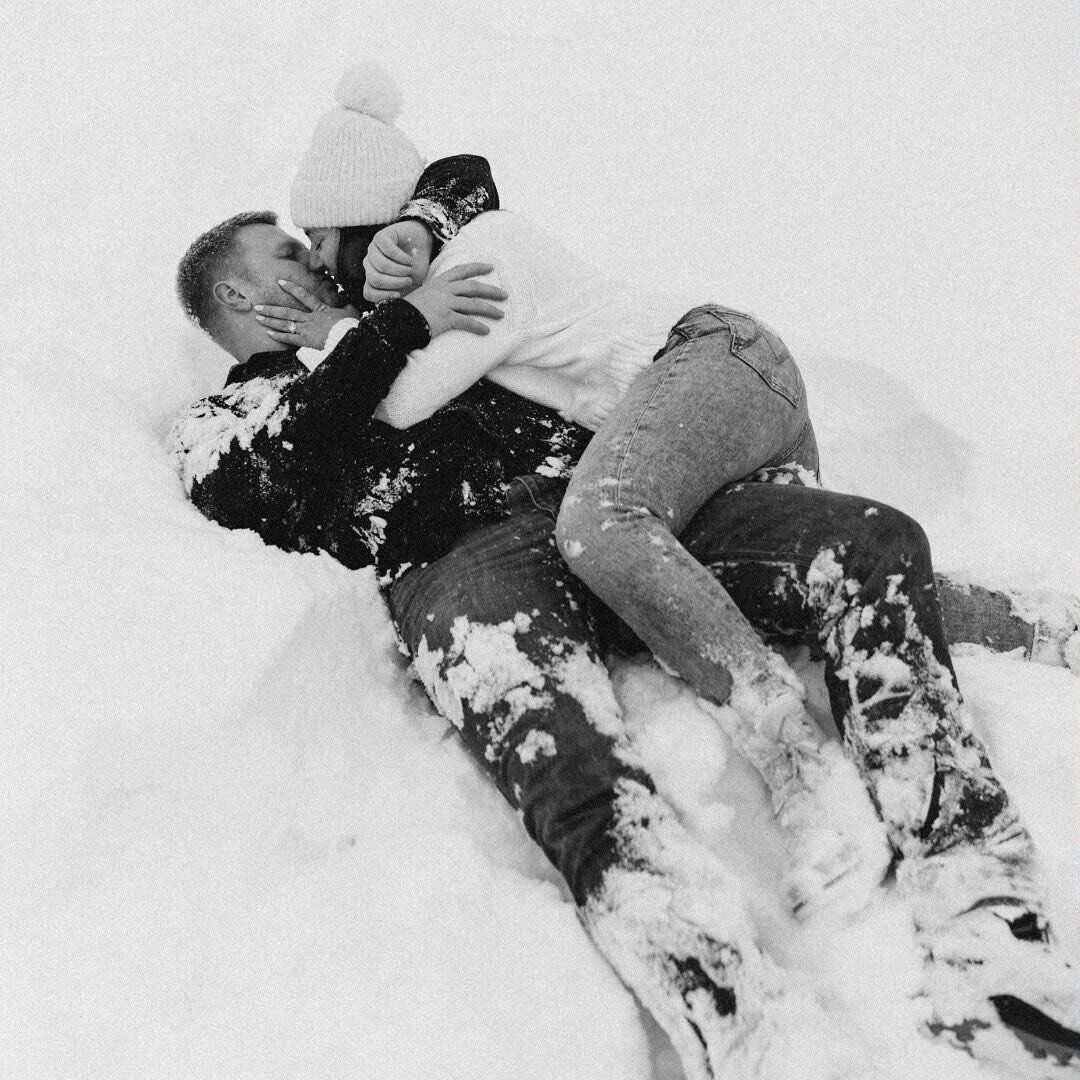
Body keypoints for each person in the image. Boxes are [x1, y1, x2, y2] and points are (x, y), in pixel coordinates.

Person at [172, 161, 1079, 1080]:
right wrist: (399, 328)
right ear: (240, 293)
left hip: (609, 509)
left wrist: (411, 240)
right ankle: (746, 1025)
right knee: (563, 761)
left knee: (870, 542)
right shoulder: (225, 419)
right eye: (288, 251)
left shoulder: (403, 297)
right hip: (458, 562)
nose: (317, 256)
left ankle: (981, 897)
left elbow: (465, 188)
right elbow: (274, 477)